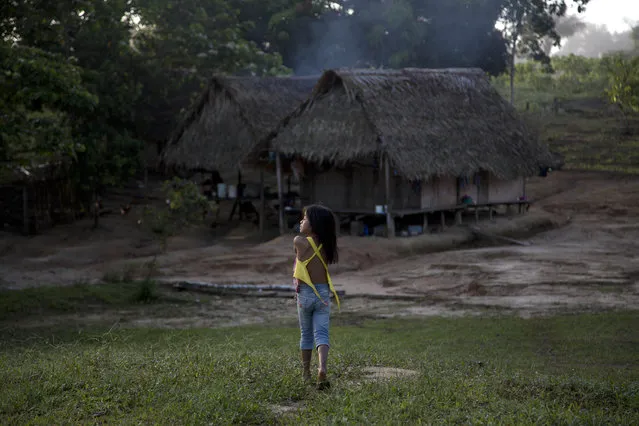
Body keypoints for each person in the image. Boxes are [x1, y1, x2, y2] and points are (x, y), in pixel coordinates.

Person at [293, 205, 340, 390]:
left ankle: (306, 374)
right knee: (322, 333)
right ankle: (322, 368)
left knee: (306, 334)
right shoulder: (327, 246)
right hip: (322, 293)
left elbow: (298, 264)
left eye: (305, 219)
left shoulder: (299, 241)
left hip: (305, 294)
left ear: (314, 224)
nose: (301, 221)